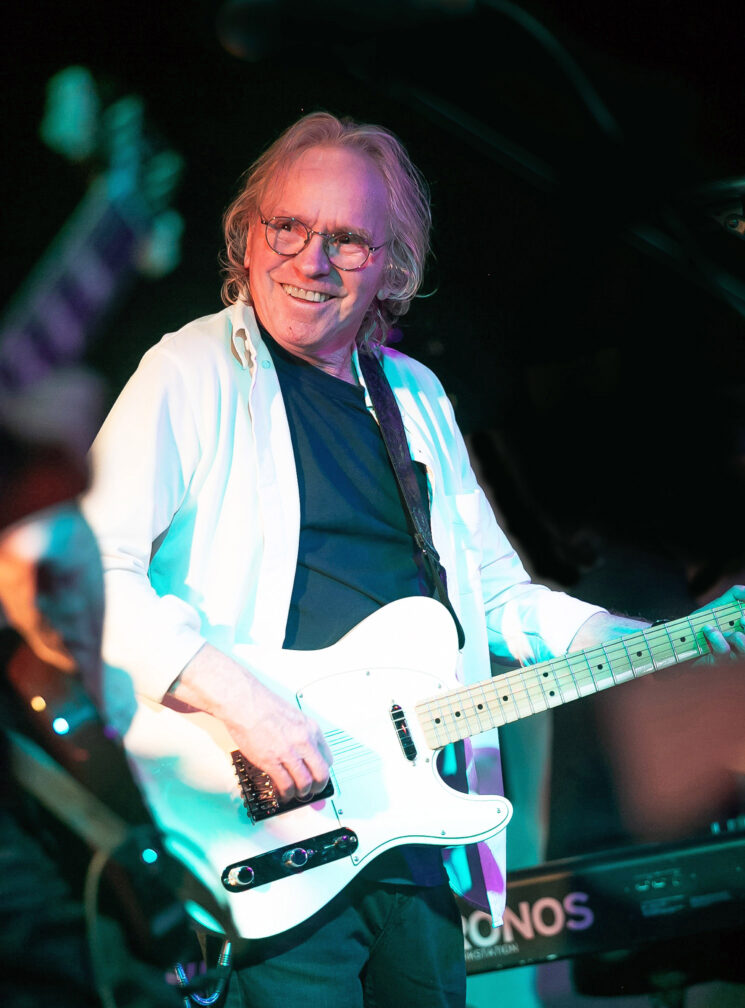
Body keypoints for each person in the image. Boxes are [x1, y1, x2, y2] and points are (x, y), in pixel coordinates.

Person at [80, 112, 745, 1008]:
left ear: (390, 265)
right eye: (288, 227)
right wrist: (248, 706)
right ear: (249, 234)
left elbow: (495, 597)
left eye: (346, 240)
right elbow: (90, 572)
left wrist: (630, 640)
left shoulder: (415, 396)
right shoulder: (190, 368)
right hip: (265, 825)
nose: (311, 260)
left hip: (411, 828)